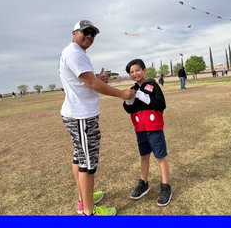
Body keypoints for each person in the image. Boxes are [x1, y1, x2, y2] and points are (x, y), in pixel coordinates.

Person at [59, 20, 136, 217]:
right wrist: (121, 94)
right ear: (74, 32)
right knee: (88, 164)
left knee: (79, 157)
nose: (90, 37)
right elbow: (91, 83)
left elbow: (86, 81)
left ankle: (82, 199)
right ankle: (88, 211)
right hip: (81, 116)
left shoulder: (77, 53)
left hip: (78, 114)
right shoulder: (74, 53)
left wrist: (97, 79)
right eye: (86, 32)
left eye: (93, 34)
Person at [123, 59, 172, 206]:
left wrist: (140, 95)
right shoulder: (132, 88)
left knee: (160, 157)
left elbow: (161, 104)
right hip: (140, 128)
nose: (135, 73)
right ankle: (143, 183)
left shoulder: (152, 85)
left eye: (137, 70)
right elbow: (129, 110)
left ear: (144, 70)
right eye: (131, 72)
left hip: (154, 127)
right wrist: (128, 100)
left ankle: (166, 186)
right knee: (144, 156)